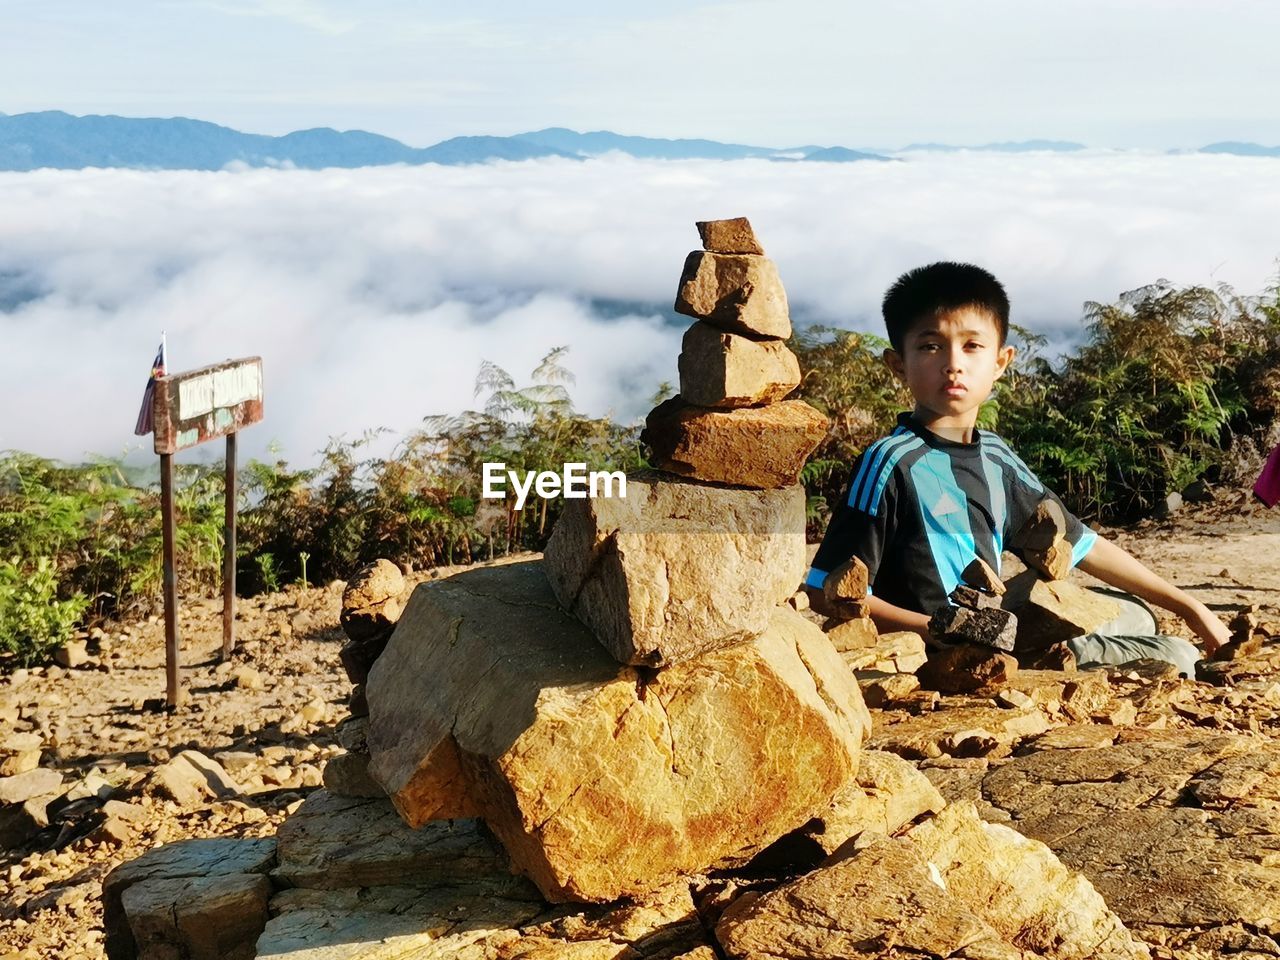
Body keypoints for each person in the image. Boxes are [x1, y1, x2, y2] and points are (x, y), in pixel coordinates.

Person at [806, 262, 1229, 676]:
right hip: (964, 653)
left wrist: (1191, 607)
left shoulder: (995, 455)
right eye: (930, 345)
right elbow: (828, 588)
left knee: (1140, 613)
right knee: (1180, 654)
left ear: (1001, 362)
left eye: (972, 346)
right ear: (898, 364)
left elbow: (1082, 543)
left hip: (1003, 622)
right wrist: (941, 631)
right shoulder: (889, 463)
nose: (954, 363)